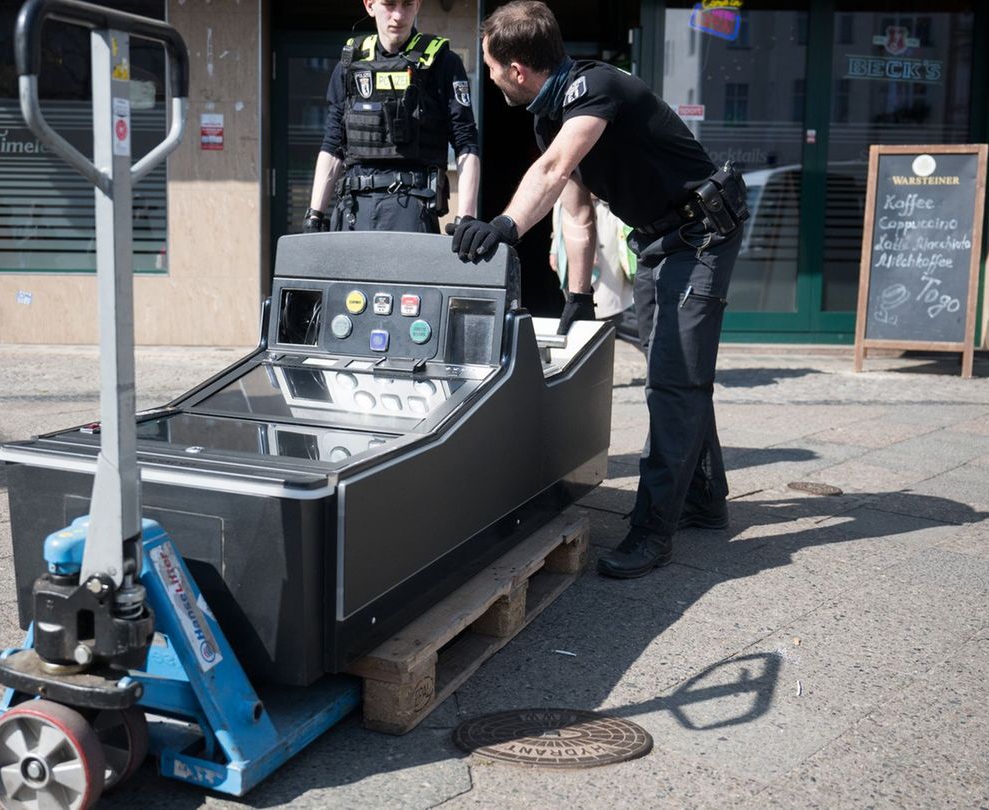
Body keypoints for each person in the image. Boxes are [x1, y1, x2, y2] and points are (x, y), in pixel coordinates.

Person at [451, 0, 747, 579]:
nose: (486, 77)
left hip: (704, 233)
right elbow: (577, 210)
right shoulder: (546, 114)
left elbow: (554, 169)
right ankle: (705, 500)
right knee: (679, 373)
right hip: (659, 241)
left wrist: (505, 228)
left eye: (488, 66)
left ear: (516, 67)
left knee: (673, 380)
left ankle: (653, 531)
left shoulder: (596, 87)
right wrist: (578, 294)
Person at [304, 0, 481, 234]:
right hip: (353, 212)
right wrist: (314, 215)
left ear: (417, 5)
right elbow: (333, 144)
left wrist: (466, 217)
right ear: (369, 5)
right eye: (389, 4)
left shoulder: (443, 63)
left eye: (407, 4)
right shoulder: (350, 64)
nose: (398, 15)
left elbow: (465, 141)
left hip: (412, 210)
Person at [549, 195, 634, 322]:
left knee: (609, 299)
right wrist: (555, 245)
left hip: (601, 220)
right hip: (568, 217)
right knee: (578, 292)